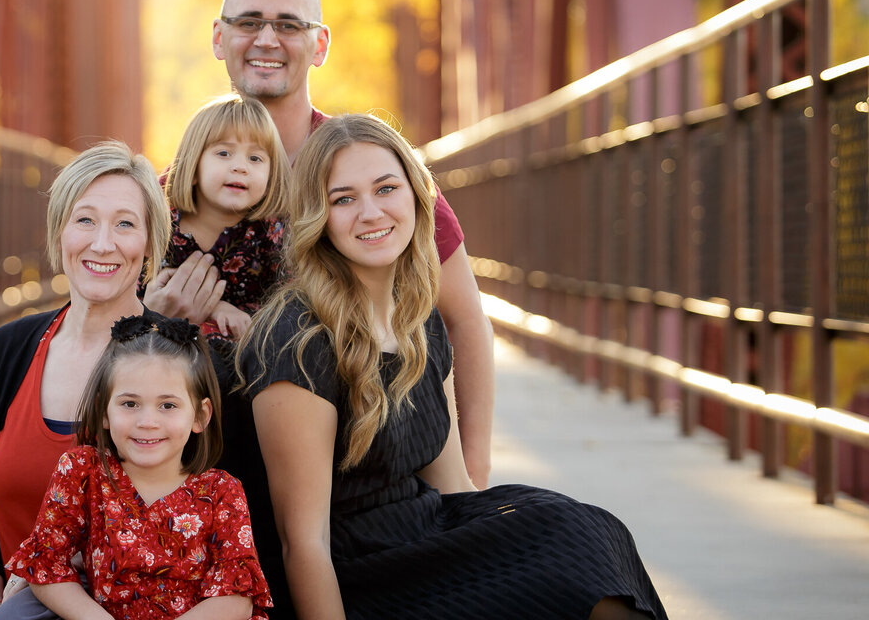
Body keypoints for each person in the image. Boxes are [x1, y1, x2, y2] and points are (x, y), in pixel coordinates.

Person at [235, 114, 667, 620]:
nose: (371, 212)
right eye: (343, 199)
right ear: (317, 217)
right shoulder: (296, 342)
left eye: (386, 189)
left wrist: (505, 556)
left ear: (417, 200)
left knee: (588, 538)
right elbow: (302, 545)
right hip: (363, 573)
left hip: (426, 541)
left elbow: (454, 487)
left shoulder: (419, 318)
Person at [144, 0, 494, 490]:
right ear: (219, 38)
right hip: (219, 471)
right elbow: (108, 331)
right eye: (248, 22)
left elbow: (465, 321)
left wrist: (473, 486)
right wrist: (159, 320)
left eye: (288, 24)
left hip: (362, 470)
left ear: (321, 45)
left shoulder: (374, 169)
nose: (267, 38)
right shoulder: (176, 195)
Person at [0, 140, 172, 620]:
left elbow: (216, 523)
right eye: (85, 219)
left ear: (151, 244)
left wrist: (49, 577)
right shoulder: (3, 354)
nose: (102, 243)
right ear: (59, 233)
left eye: (125, 224)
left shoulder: (185, 363)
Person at [0, 315, 273, 620]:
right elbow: (46, 566)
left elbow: (236, 596)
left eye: (168, 405)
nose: (147, 422)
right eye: (130, 404)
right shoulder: (83, 472)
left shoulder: (220, 492)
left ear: (199, 415)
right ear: (104, 410)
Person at [156, 94, 289, 342]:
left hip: (250, 350)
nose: (241, 166)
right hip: (169, 351)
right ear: (193, 166)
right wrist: (218, 309)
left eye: (255, 158)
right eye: (224, 153)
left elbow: (289, 296)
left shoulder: (271, 230)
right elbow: (147, 290)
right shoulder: (162, 223)